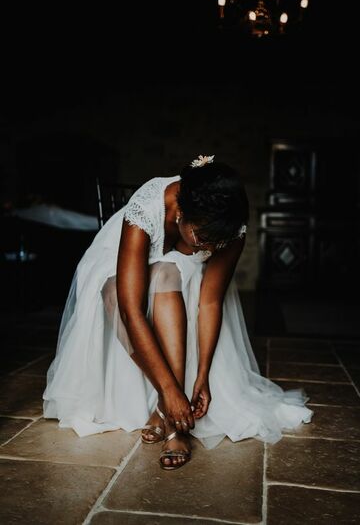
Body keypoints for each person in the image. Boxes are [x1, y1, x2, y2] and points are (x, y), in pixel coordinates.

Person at [43, 154, 313, 471]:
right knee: (120, 293)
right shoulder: (145, 209)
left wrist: (202, 377)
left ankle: (168, 415)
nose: (208, 249)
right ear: (181, 212)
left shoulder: (229, 225)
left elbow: (211, 301)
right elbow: (130, 310)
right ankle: (172, 415)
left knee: (167, 273)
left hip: (178, 276)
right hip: (121, 267)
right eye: (202, 237)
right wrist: (170, 390)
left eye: (217, 243)